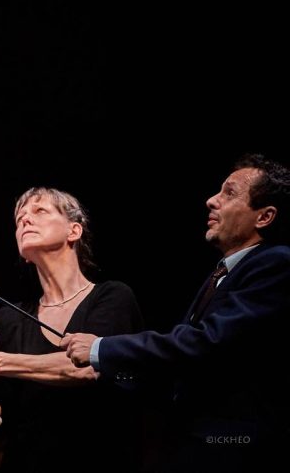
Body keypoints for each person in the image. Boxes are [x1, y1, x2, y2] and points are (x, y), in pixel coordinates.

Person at [63, 154, 290, 470]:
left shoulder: (277, 263)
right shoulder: (222, 272)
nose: (212, 200)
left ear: (264, 217)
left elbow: (207, 342)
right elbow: (182, 368)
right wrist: (110, 371)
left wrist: (102, 348)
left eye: (229, 193)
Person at [0, 187, 144, 472]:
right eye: (19, 218)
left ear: (74, 230)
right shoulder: (7, 321)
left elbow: (87, 369)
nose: (25, 220)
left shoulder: (113, 297)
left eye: (40, 211)